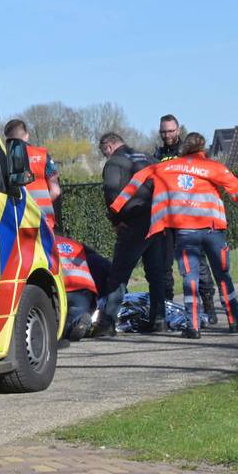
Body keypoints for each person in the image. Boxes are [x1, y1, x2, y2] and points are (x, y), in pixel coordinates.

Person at [110, 132, 238, 339]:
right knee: (222, 274)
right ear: (202, 149)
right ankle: (233, 318)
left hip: (185, 233)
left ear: (184, 149)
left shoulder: (165, 167)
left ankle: (192, 326)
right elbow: (236, 189)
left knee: (190, 279)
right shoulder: (213, 167)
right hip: (213, 230)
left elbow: (137, 179)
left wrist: (117, 206)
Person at [90, 132, 167, 338]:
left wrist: (116, 221)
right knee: (156, 274)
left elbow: (111, 191)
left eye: (103, 152)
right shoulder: (148, 158)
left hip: (133, 223)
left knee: (119, 275)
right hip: (156, 220)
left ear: (108, 147)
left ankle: (107, 323)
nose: (105, 156)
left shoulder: (115, 162)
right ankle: (159, 319)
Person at [154, 114, 217, 325]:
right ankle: (167, 309)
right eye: (163, 131)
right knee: (164, 266)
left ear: (178, 130)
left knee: (197, 262)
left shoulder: (189, 154)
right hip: (166, 219)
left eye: (170, 131)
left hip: (188, 218)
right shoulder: (156, 155)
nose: (167, 135)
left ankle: (208, 305)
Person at [3, 119, 62, 230]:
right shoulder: (43, 155)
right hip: (44, 219)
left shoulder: (5, 159)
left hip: (18, 220)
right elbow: (56, 191)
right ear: (26, 135)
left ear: (7, 139)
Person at [55, 235, 111, 341]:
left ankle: (70, 328)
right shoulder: (75, 245)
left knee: (58, 326)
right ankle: (80, 320)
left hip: (61, 288)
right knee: (75, 318)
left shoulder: (44, 242)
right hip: (83, 289)